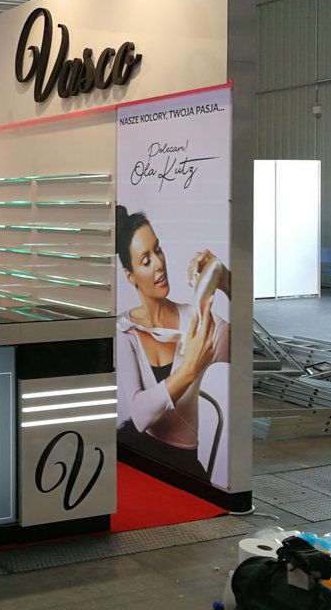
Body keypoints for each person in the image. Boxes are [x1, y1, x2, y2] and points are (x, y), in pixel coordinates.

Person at [115, 205, 231, 480]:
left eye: (158, 250)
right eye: (146, 260)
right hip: (132, 451)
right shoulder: (124, 328)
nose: (159, 263)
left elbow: (252, 351)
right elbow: (140, 415)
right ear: (130, 276)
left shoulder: (199, 321)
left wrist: (225, 279)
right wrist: (189, 369)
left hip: (181, 466)